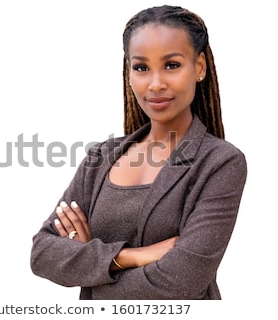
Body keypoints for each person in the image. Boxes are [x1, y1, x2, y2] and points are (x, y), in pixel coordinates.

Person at [30, 5, 247, 300]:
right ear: (128, 72)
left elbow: (183, 279)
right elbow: (42, 253)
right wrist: (131, 256)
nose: (156, 84)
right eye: (141, 67)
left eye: (171, 65)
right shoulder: (101, 158)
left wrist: (89, 267)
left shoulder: (220, 163)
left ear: (199, 67)